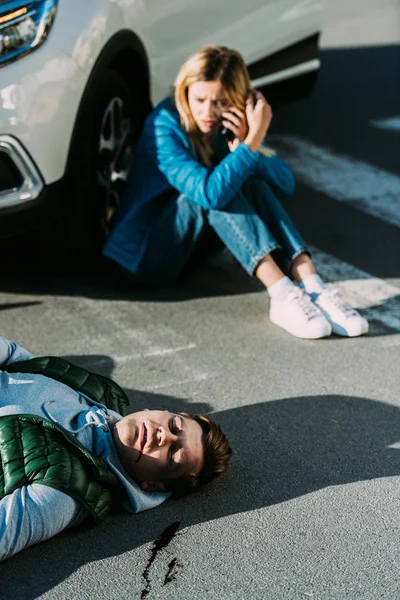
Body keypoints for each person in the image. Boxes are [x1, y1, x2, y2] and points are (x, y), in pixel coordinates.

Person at [103, 45, 368, 340]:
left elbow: (285, 184)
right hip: (144, 258)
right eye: (199, 99)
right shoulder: (163, 125)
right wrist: (252, 141)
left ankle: (313, 285)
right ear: (185, 91)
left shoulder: (229, 124)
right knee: (210, 191)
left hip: (189, 253)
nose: (207, 111)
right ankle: (282, 293)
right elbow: (210, 195)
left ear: (236, 100)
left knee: (248, 180)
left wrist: (248, 142)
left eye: (219, 102)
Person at [0, 336, 231, 561]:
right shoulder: (94, 390)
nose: (165, 436)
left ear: (152, 486)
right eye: (173, 425)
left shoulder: (64, 492)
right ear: (154, 410)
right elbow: (15, 355)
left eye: (173, 453)